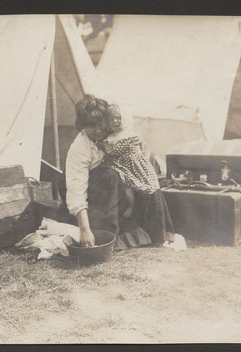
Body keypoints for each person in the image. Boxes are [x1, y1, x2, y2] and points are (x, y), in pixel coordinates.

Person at [65, 94, 174, 250]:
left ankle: (156, 233)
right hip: (93, 192)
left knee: (148, 178)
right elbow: (76, 190)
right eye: (90, 126)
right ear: (83, 126)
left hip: (119, 186)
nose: (97, 130)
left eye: (100, 124)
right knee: (110, 175)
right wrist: (84, 230)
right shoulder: (80, 147)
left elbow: (141, 151)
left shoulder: (117, 132)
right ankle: (109, 235)